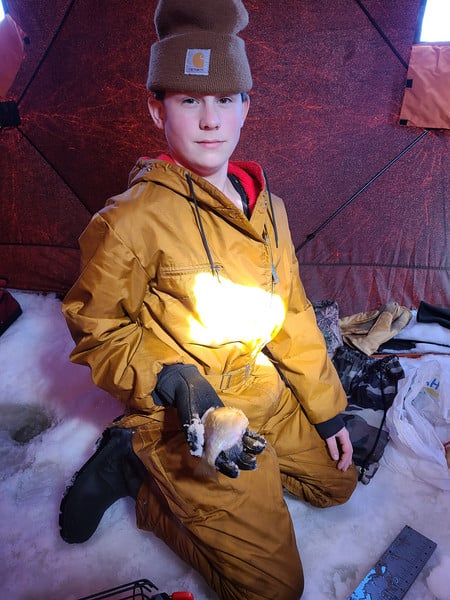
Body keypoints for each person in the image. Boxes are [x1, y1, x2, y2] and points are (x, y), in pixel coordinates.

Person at [59, 1, 358, 598]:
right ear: (155, 108)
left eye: (225, 99)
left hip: (262, 386)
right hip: (198, 414)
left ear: (247, 106)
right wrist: (169, 381)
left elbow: (292, 312)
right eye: (188, 100)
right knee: (275, 591)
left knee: (339, 485)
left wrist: (326, 408)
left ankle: (238, 486)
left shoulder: (268, 208)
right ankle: (142, 473)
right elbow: (97, 330)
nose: (209, 120)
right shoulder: (130, 221)